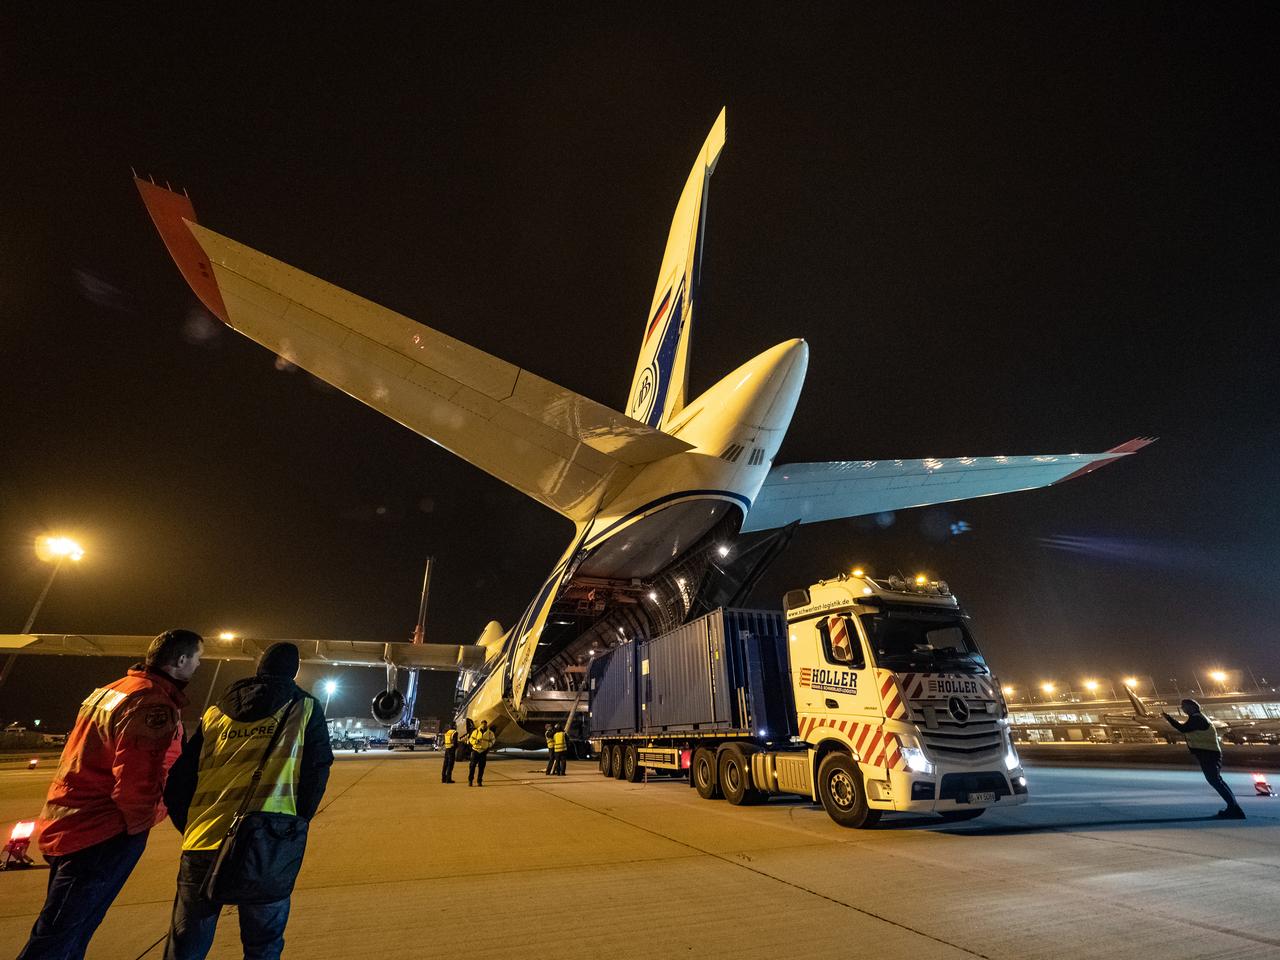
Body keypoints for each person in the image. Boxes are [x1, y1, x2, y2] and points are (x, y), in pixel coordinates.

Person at [19, 630, 203, 960]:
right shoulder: (152, 702)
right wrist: (141, 825)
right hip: (102, 832)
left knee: (68, 935)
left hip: (69, 821)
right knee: (55, 941)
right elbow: (136, 780)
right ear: (181, 661)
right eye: (198, 659)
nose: (198, 666)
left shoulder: (110, 691)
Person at [161, 642, 334, 960]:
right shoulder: (304, 707)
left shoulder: (215, 713)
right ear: (294, 672)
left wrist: (191, 824)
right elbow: (317, 772)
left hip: (204, 840)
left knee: (186, 942)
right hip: (268, 841)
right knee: (263, 943)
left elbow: (179, 779)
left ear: (259, 668)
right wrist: (295, 823)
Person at [1162, 698, 1246, 819]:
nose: (1183, 708)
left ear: (1192, 707)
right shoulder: (1196, 718)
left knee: (1215, 781)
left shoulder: (1197, 719)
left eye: (1184, 706)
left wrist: (1169, 718)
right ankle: (1233, 807)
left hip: (1209, 754)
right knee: (1217, 781)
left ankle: (1234, 809)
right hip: (1208, 753)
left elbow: (1183, 729)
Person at [467, 719, 495, 786]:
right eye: (483, 724)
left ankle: (479, 781)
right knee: (472, 766)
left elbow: (493, 740)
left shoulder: (490, 733)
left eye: (485, 724)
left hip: (483, 751)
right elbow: (471, 739)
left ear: (486, 725)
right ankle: (470, 780)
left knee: (481, 767)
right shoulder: (475, 731)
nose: (484, 725)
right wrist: (475, 742)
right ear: (481, 724)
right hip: (475, 751)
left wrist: (489, 745)